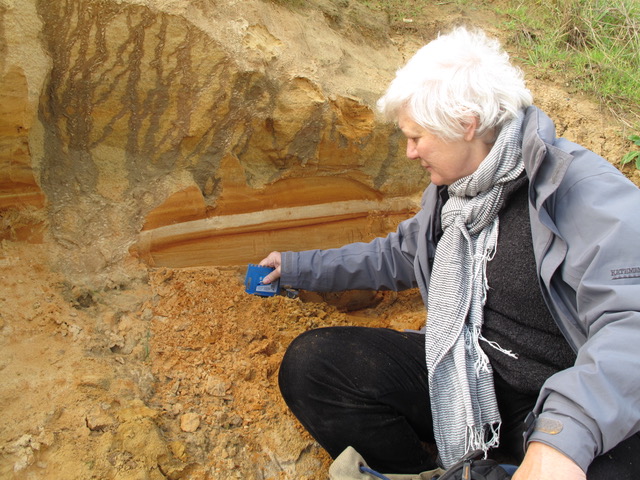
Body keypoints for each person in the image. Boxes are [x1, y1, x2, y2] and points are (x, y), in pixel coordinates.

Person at [258, 27, 640, 480]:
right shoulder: (454, 196)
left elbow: (629, 327)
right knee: (314, 365)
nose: (409, 151)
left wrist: (563, 437)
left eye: (417, 136)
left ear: (465, 123)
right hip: (467, 374)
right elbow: (398, 255)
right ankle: (435, 471)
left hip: (562, 398)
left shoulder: (579, 192)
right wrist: (299, 268)